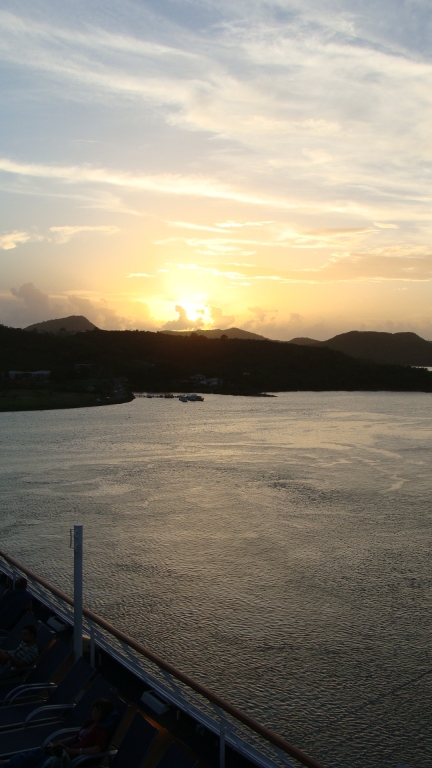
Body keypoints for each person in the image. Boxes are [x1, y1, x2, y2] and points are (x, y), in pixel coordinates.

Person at [0, 699, 116, 767]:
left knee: (46, 761)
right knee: (38, 752)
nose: (94, 712)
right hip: (68, 751)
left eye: (98, 711)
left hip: (77, 758)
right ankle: (9, 762)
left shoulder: (101, 731)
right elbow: (76, 737)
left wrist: (74, 751)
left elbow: (97, 749)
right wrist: (59, 742)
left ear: (104, 714)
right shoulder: (89, 722)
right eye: (93, 709)